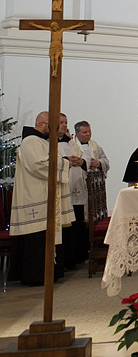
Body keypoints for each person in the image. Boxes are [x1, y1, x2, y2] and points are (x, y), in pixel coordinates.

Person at [9, 111, 75, 286]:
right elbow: (38, 165)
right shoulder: (30, 142)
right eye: (50, 125)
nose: (54, 129)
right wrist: (66, 162)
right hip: (34, 197)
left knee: (46, 236)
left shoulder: (41, 142)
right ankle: (35, 276)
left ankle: (48, 274)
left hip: (44, 194)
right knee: (37, 239)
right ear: (40, 124)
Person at [58, 120, 109, 268]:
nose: (88, 134)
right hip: (74, 186)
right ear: (77, 133)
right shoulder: (72, 146)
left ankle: (84, 252)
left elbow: (105, 161)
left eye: (89, 131)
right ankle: (76, 256)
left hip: (89, 189)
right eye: (85, 132)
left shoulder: (95, 146)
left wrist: (98, 164)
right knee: (76, 221)